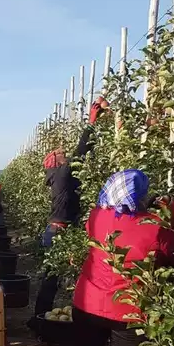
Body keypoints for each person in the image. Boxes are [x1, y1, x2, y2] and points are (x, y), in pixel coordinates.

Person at [69, 169, 174, 346]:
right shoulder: (156, 226)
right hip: (128, 310)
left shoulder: (96, 217)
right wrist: (170, 214)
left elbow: (113, 219)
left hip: (88, 304)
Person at [34, 97, 108, 318]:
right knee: (52, 277)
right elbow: (82, 153)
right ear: (57, 162)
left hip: (59, 230)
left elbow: (84, 159)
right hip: (59, 232)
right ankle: (41, 319)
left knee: (54, 276)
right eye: (61, 155)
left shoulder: (60, 178)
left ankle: (42, 315)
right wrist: (91, 123)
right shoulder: (63, 174)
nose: (65, 155)